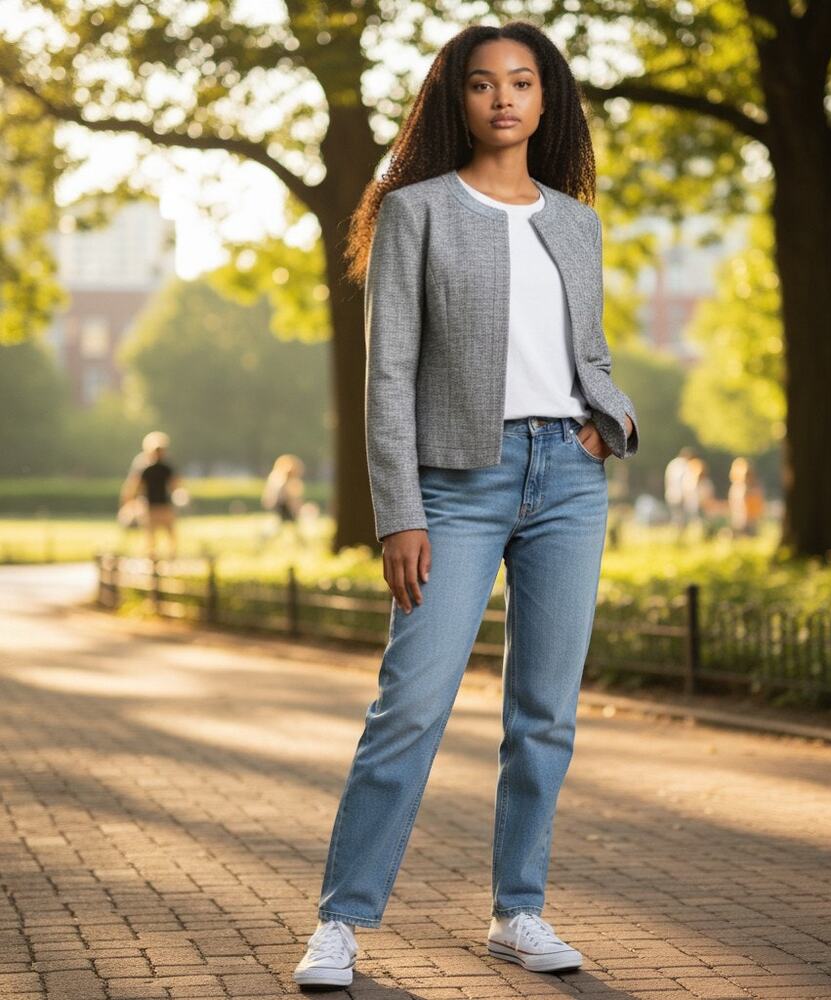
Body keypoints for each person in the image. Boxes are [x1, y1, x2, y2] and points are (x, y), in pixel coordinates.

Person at [294, 21, 639, 989]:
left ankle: (518, 911)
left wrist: (609, 421)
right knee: (409, 706)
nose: (502, 98)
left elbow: (592, 355)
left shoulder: (575, 222)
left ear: (545, 99)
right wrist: (397, 512)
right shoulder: (415, 211)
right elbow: (388, 375)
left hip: (567, 479)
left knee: (545, 713)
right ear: (458, 101)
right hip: (454, 485)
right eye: (483, 83)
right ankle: (340, 922)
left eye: (521, 82)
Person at [119, 431, 182, 561]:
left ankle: (170, 559)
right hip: (150, 507)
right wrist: (129, 503)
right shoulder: (145, 468)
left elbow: (175, 485)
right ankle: (153, 561)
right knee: (151, 539)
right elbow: (134, 486)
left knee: (170, 537)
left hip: (164, 506)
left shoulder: (166, 468)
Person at [260, 454, 306, 545]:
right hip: (282, 505)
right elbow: (287, 496)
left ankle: (301, 542)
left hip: (280, 505)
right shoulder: (281, 479)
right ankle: (264, 537)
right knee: (284, 525)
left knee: (283, 525)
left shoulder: (276, 477)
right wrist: (295, 506)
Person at [728, 457, 764, 537]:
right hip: (740, 522)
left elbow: (758, 508)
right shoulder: (738, 488)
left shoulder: (753, 489)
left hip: (750, 523)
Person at [664, 447, 693, 531]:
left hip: (671, 494)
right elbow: (683, 482)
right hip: (680, 495)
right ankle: (679, 533)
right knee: (680, 517)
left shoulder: (673, 463)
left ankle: (676, 532)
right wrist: (685, 495)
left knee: (675, 516)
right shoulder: (683, 465)